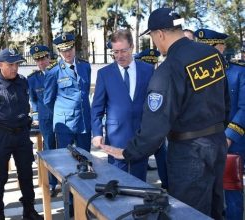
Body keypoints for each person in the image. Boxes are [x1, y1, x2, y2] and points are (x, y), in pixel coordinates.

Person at [100, 8, 229, 219]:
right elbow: (226, 101)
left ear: (160, 34)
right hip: (216, 145)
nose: (154, 43)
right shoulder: (212, 54)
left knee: (189, 213)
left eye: (151, 36)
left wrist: (127, 152)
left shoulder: (168, 69)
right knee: (214, 208)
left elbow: (155, 127)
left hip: (189, 154)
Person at [0, 48, 43, 220]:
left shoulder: (23, 82)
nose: (14, 68)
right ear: (0, 65)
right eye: (10, 64)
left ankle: (29, 210)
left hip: (21, 135)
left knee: (26, 174)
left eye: (17, 64)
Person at [194, 28, 245, 220]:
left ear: (221, 47)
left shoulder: (239, 72)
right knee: (204, 192)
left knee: (231, 193)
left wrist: (229, 137)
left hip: (231, 144)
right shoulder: (194, 74)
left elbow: (243, 108)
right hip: (200, 143)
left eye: (209, 48)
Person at [91, 30, 154, 181]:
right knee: (117, 182)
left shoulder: (148, 70)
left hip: (140, 136)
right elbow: (97, 107)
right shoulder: (104, 74)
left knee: (139, 181)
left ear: (132, 47)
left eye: (124, 51)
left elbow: (153, 103)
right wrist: (97, 132)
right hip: (116, 138)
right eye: (115, 52)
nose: (119, 56)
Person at [44, 33, 91, 151]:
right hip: (65, 124)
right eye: (63, 51)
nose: (67, 53)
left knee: (86, 159)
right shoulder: (53, 72)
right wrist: (62, 113)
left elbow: (85, 91)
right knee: (64, 160)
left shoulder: (85, 66)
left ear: (74, 47)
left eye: (70, 49)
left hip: (84, 122)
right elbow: (48, 100)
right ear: (59, 51)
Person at [133, 48, 169, 189]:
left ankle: (166, 183)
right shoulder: (137, 76)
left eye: (153, 64)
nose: (151, 67)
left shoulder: (158, 76)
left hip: (155, 125)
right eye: (148, 64)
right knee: (141, 158)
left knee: (161, 154)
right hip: (140, 124)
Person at [28, 45, 58, 197]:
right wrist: (34, 117)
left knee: (66, 149)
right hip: (45, 119)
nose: (41, 62)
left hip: (61, 117)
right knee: (49, 149)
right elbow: (33, 100)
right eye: (37, 60)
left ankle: (66, 180)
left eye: (43, 59)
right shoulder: (33, 79)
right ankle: (52, 183)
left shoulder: (58, 72)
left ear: (49, 58)